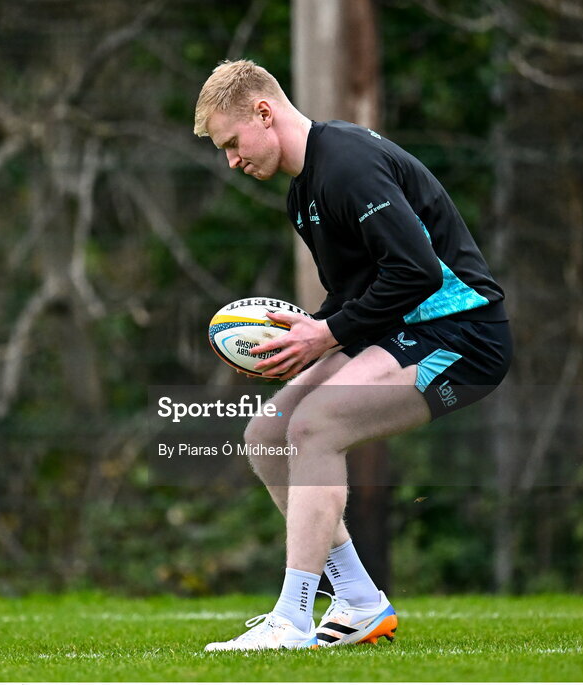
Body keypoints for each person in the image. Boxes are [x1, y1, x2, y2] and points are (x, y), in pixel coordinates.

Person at [192, 60, 512, 651]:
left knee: (316, 427)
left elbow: (415, 272)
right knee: (268, 433)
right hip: (402, 329)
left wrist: (327, 333)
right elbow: (357, 291)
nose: (231, 161)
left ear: (264, 113)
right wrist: (309, 331)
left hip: (462, 336)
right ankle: (361, 600)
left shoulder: (347, 165)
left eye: (232, 143)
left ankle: (291, 618)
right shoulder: (302, 193)